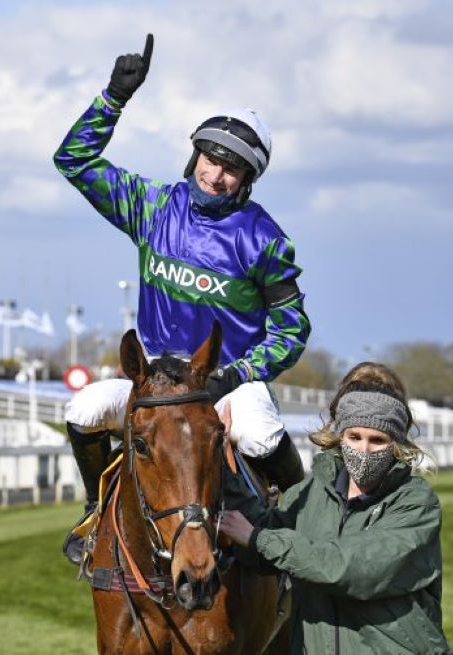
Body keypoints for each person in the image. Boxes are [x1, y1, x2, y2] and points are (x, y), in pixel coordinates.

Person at [53, 34, 311, 563]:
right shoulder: (153, 208)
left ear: (247, 179)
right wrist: (113, 97)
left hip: (226, 380)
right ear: (194, 154)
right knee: (83, 410)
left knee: (262, 437)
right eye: (209, 159)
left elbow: (292, 331)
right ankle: (97, 510)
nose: (214, 175)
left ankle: (299, 531)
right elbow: (73, 160)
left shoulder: (265, 240)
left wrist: (234, 376)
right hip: (155, 379)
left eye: (230, 168)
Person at [220, 365, 452, 654]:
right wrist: (221, 456)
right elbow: (259, 544)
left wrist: (259, 539)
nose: (364, 450)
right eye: (354, 437)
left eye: (377, 440)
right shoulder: (311, 492)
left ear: (396, 445)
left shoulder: (416, 503)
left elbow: (347, 569)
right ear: (340, 437)